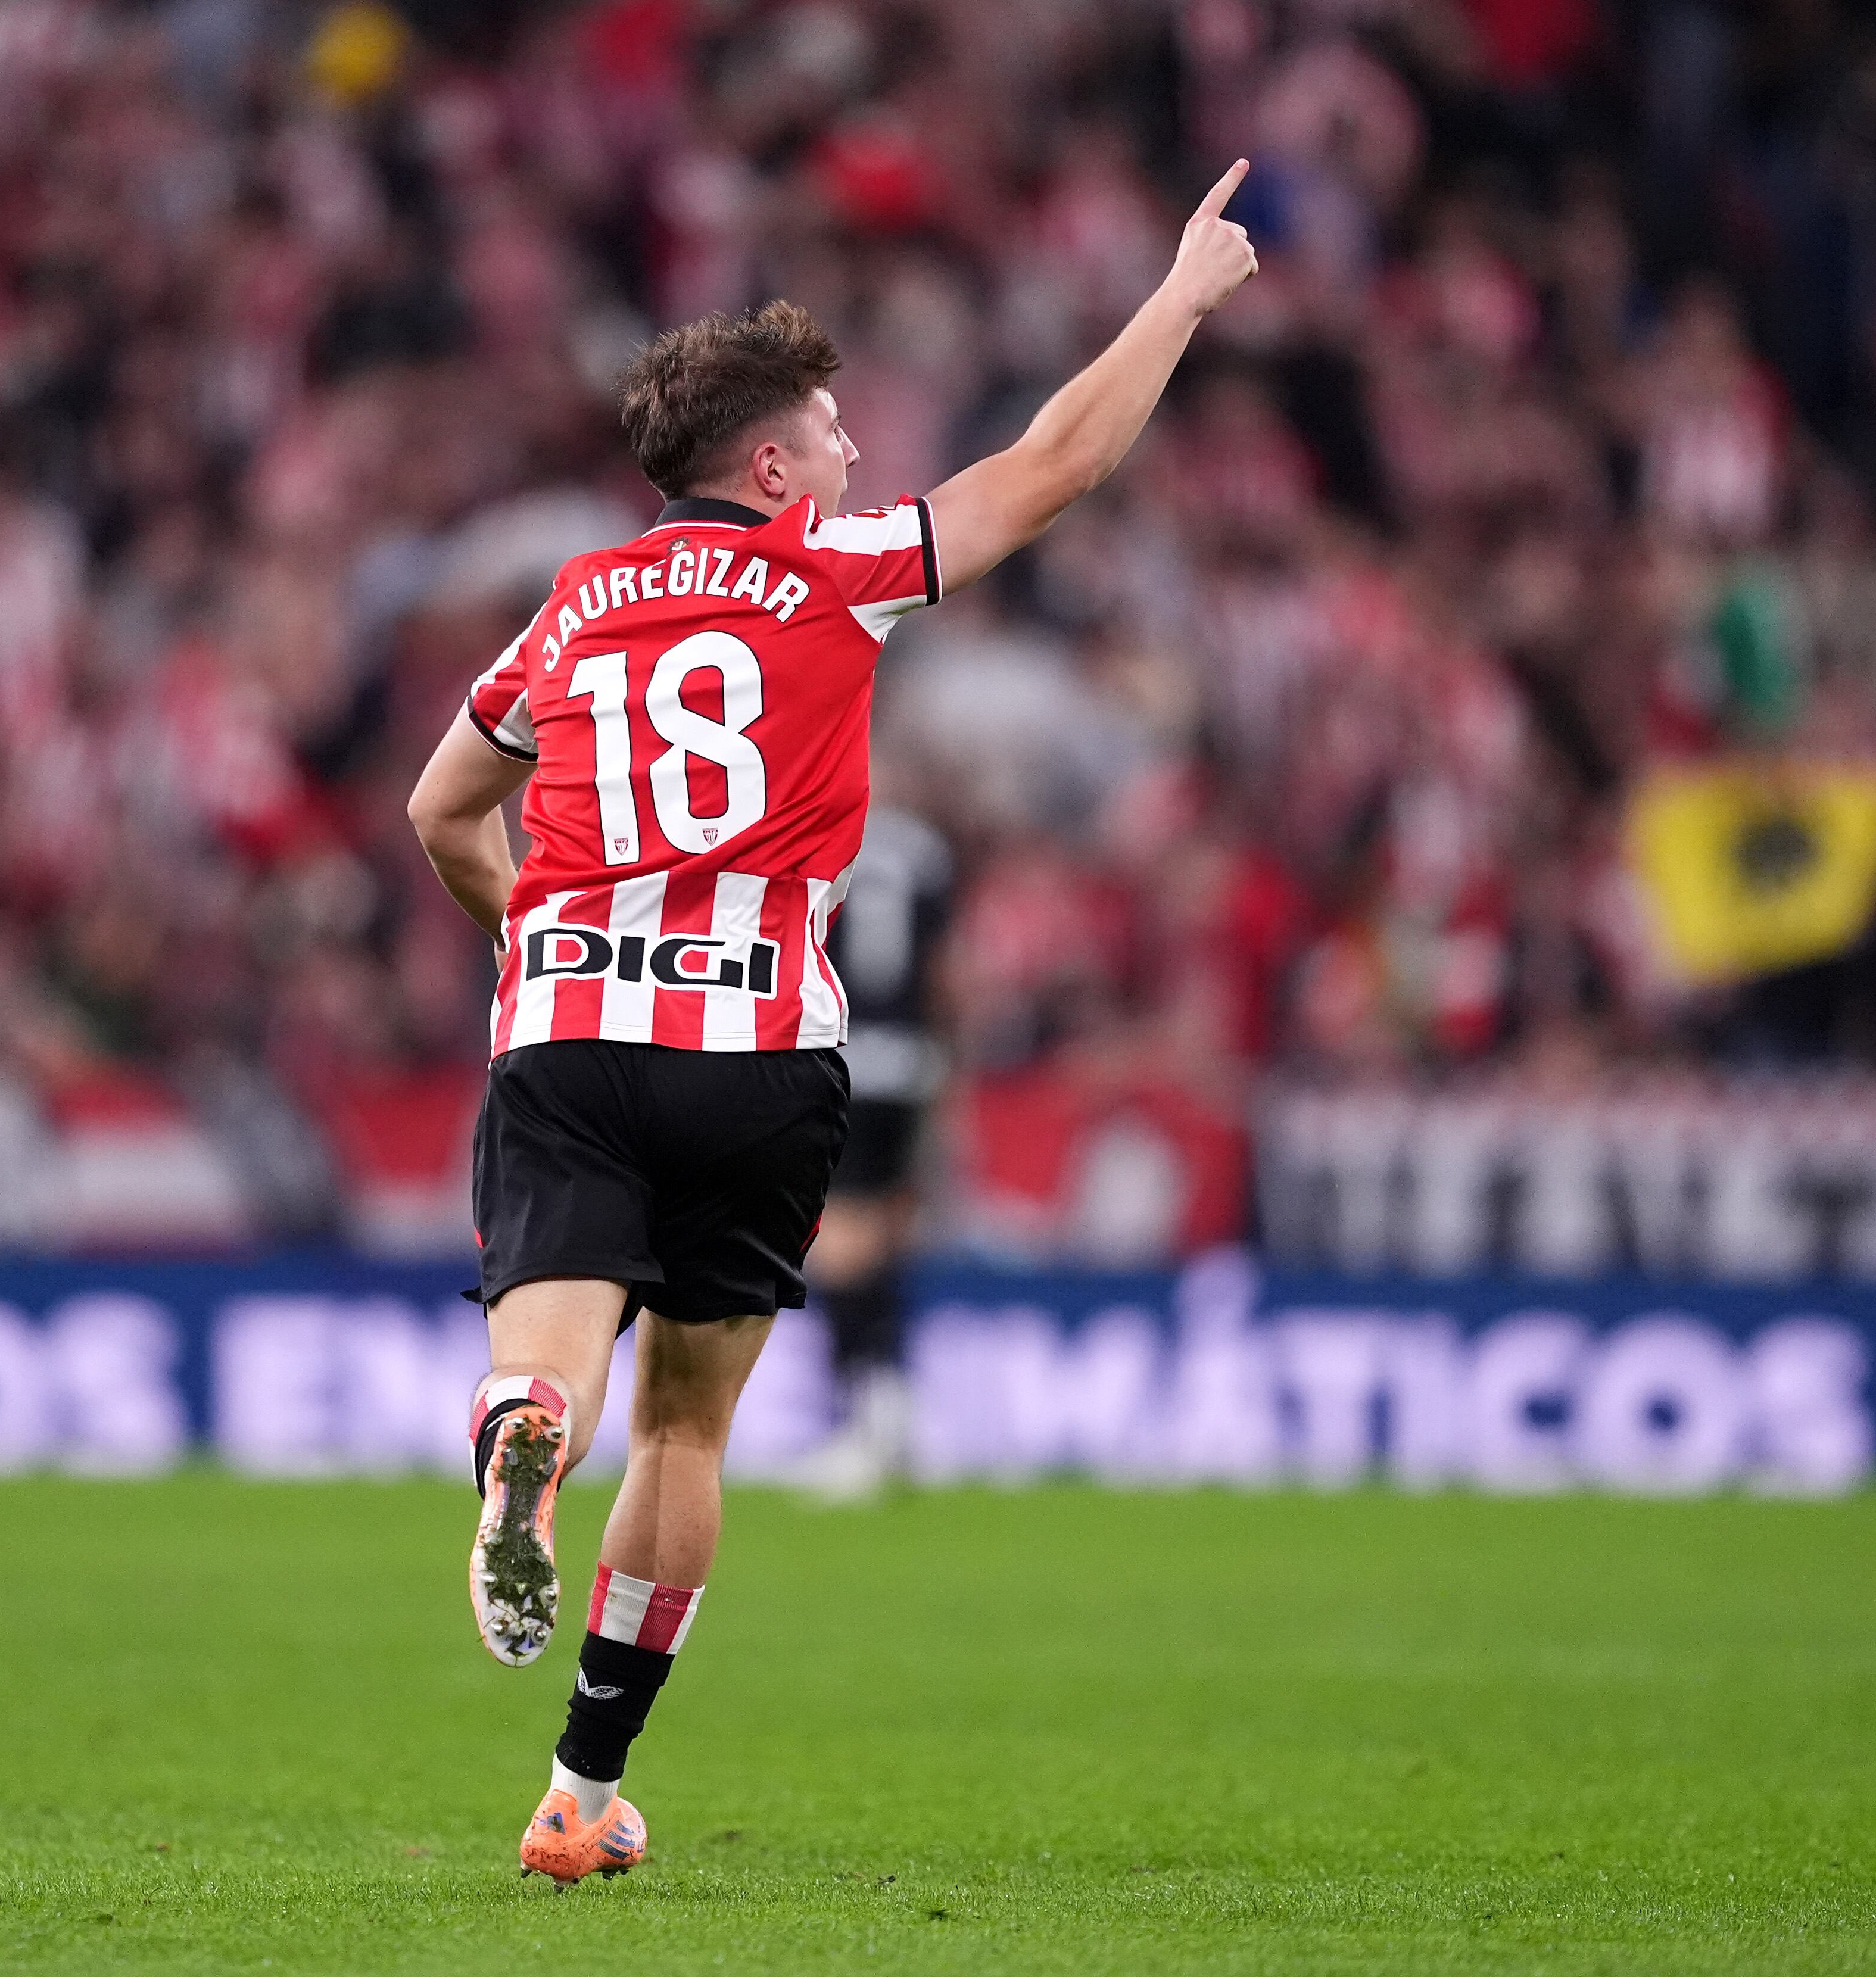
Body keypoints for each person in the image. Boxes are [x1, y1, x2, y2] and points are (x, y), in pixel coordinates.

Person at [404, 161, 1259, 1886]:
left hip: (570, 1034)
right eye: (836, 425)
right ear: (772, 470)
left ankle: (515, 1446)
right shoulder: (834, 571)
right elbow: (1056, 465)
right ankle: (581, 1790)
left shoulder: (571, 606)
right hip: (761, 1053)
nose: (859, 451)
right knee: (688, 1433)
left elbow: (439, 811)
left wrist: (555, 939)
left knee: (552, 1376)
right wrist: (1177, 296)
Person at [789, 788, 952, 1502]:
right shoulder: (924, 848)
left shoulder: (815, 835)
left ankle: (864, 1423)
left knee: (840, 1243)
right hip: (910, 1063)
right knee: (886, 1236)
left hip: (843, 1054)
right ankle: (891, 1414)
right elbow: (949, 973)